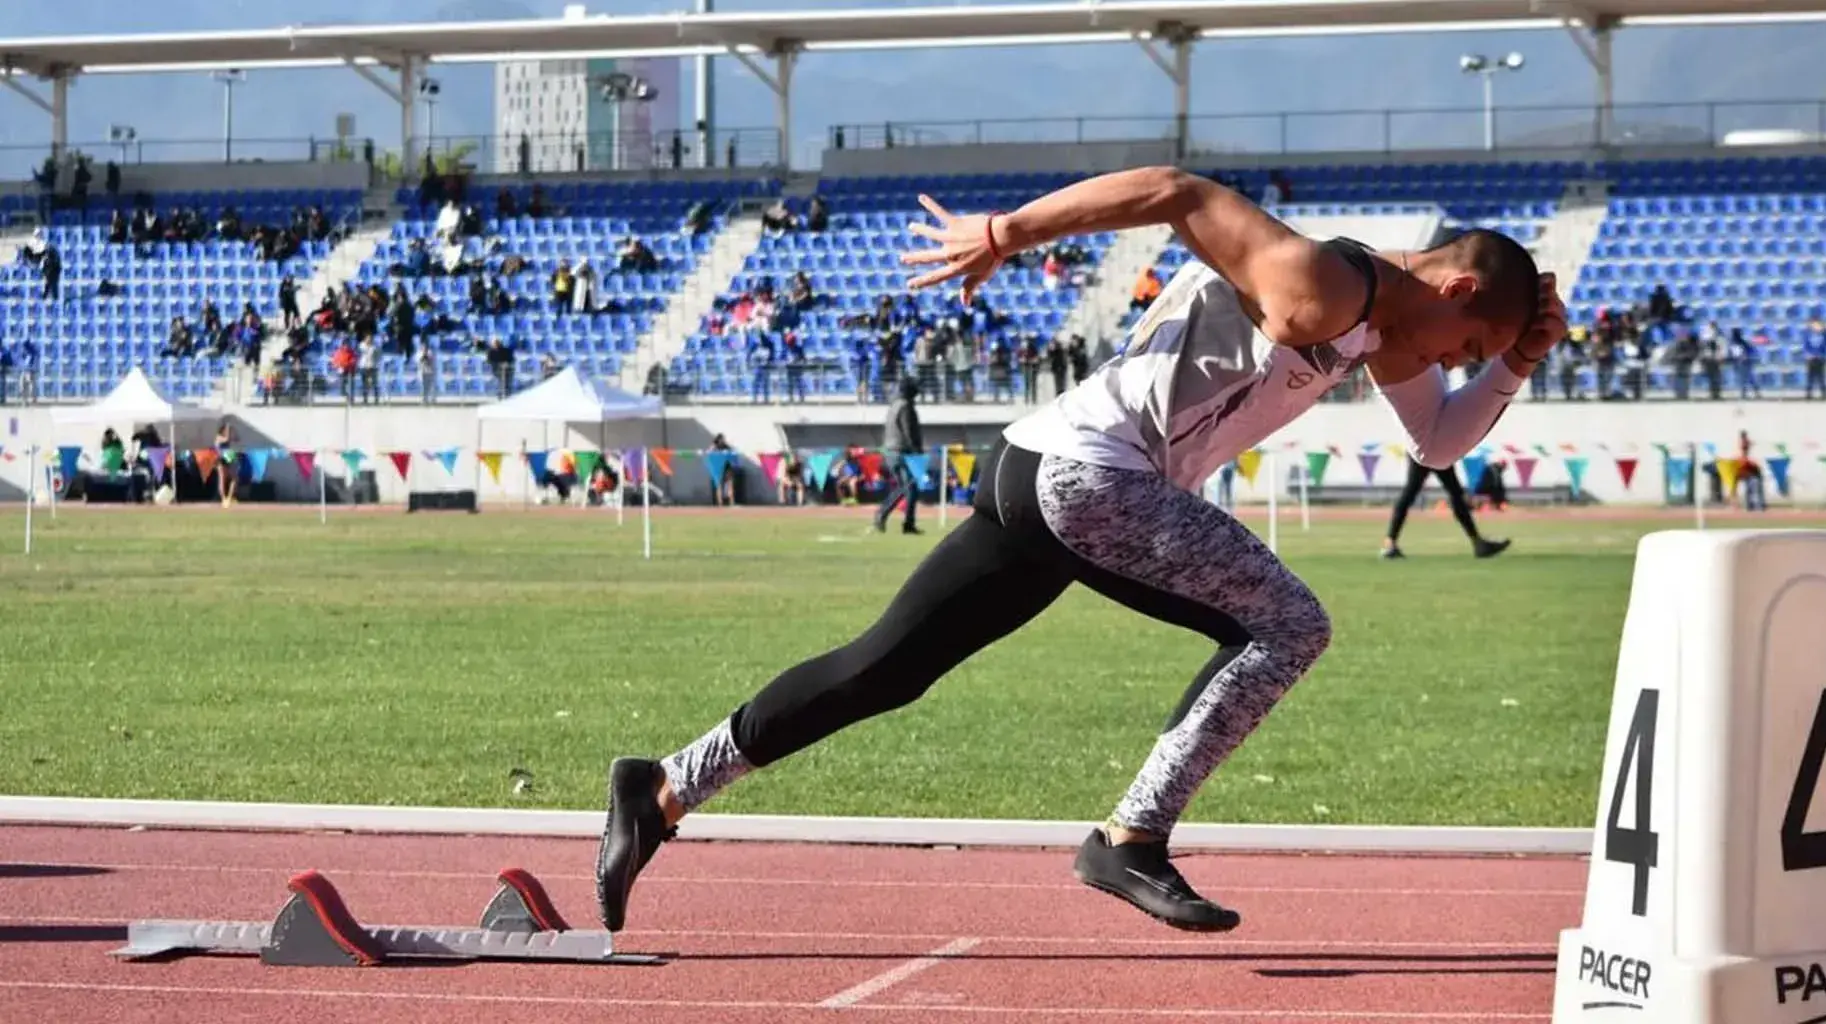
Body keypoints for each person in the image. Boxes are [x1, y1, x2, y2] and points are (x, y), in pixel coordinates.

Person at [595, 166, 1562, 935]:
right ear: (1458, 286)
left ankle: (666, 786)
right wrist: (1003, 234)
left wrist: (1515, 363)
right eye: (1467, 345)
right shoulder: (1325, 281)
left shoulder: (1383, 325)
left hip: (1038, 466)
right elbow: (1179, 192)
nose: (1449, 366)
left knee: (885, 669)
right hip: (1095, 478)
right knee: (1289, 625)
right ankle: (1132, 836)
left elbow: (1437, 442)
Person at [1379, 457, 1510, 560]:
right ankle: (1478, 543)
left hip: (1423, 447)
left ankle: (1389, 543)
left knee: (1412, 492)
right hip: (1434, 449)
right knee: (1455, 493)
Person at [872, 376, 924, 535]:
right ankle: (883, 513)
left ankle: (908, 523)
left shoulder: (894, 405)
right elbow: (908, 431)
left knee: (909, 488)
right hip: (900, 451)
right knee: (907, 487)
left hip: (891, 451)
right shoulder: (906, 407)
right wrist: (917, 450)